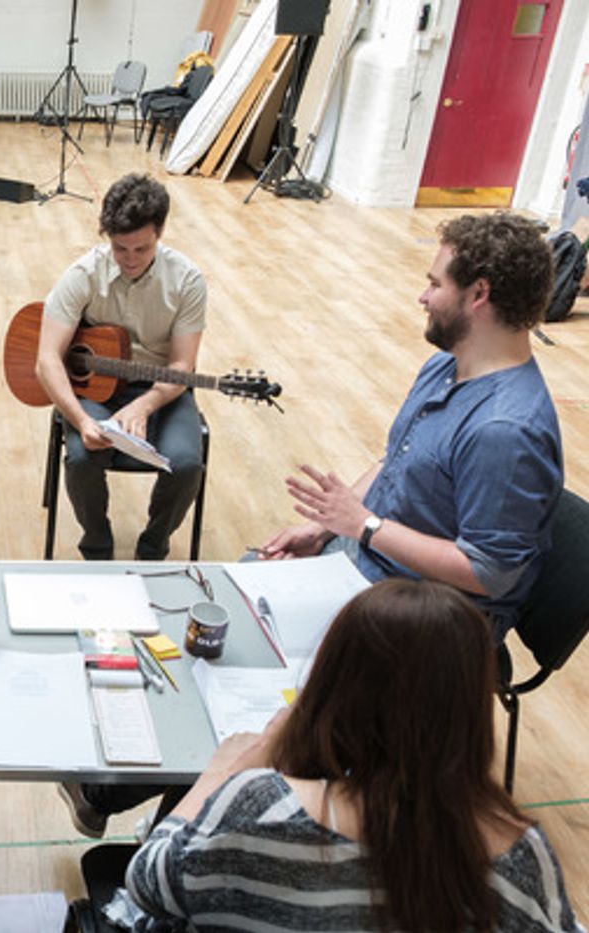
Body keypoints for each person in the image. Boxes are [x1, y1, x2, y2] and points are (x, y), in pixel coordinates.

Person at [89, 579, 579, 932]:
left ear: (334, 684)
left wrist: (219, 777)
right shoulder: (520, 854)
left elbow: (146, 882)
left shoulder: (259, 806)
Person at [260, 212, 562, 637]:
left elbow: (487, 571)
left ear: (479, 293)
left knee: (264, 635)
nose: (423, 296)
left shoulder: (505, 431)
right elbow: (398, 459)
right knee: (251, 580)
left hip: (437, 620)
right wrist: (324, 528)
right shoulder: (445, 366)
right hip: (379, 562)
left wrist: (363, 526)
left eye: (436, 284)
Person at [35, 173, 206, 561]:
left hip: (163, 388)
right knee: (80, 457)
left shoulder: (187, 280)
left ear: (160, 232)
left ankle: (153, 547)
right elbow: (47, 360)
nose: (129, 259)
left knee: (185, 465)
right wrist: (79, 419)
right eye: (119, 248)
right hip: (96, 388)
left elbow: (182, 364)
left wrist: (144, 405)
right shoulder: (83, 274)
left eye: (141, 249)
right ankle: (97, 545)